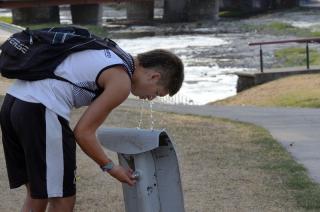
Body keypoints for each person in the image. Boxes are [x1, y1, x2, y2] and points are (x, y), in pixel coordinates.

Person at [0, 44, 184, 211]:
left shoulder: (112, 53)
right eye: (157, 93)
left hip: (13, 103)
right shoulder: (121, 80)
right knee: (62, 199)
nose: (151, 98)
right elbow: (83, 133)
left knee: (38, 194)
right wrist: (111, 167)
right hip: (40, 110)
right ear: (154, 76)